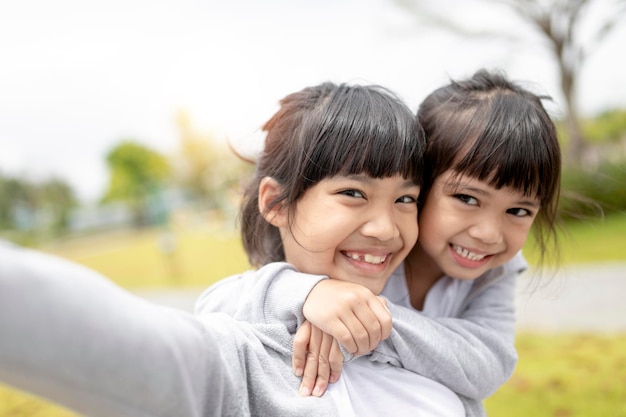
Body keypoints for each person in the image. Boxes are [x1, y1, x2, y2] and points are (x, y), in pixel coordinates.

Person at [0, 82, 467, 416]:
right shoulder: (237, 366)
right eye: (353, 193)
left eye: (406, 199)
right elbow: (79, 329)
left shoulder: (434, 340)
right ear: (276, 203)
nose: (387, 229)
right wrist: (299, 292)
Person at [197, 69, 562, 417]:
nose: (489, 234)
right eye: (467, 198)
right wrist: (309, 293)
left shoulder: (494, 268)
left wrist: (363, 321)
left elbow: (488, 362)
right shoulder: (361, 257)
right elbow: (217, 309)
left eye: (518, 210)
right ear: (428, 181)